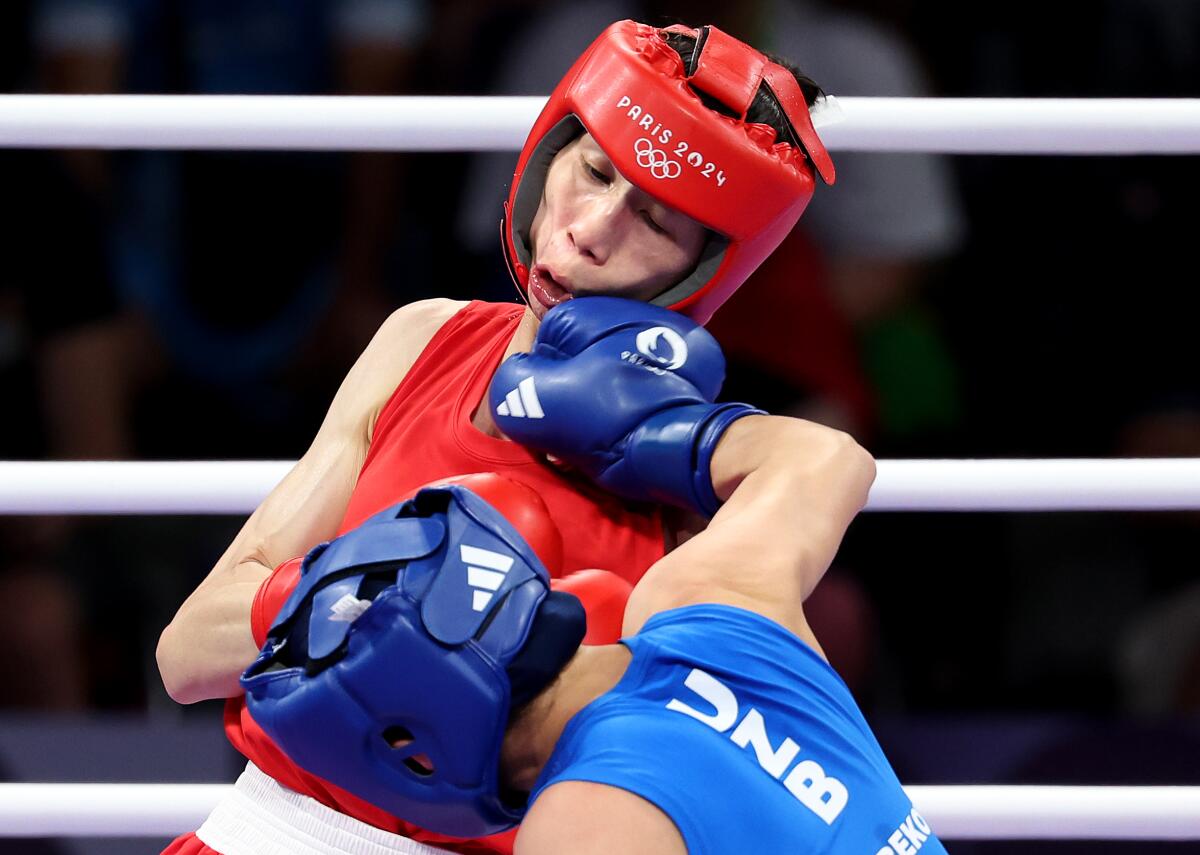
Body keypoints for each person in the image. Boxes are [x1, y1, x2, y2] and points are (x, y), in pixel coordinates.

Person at [158, 19, 836, 855]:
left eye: (655, 223)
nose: (589, 229)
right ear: (549, 151)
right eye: (592, 172)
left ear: (706, 268)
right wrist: (358, 597)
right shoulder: (426, 338)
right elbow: (186, 654)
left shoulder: (710, 495)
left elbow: (733, 780)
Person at [241, 295, 943, 854]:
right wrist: (655, 436)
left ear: (416, 756)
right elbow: (828, 459)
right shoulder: (710, 612)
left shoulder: (587, 816)